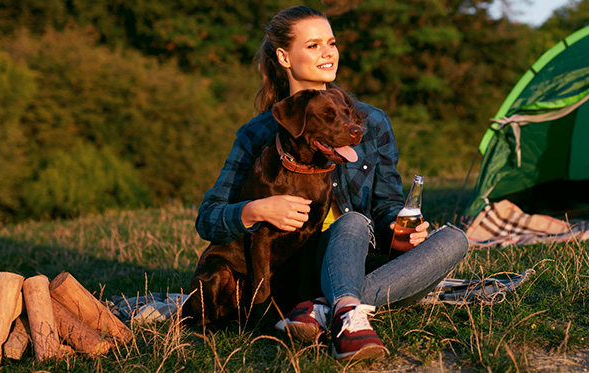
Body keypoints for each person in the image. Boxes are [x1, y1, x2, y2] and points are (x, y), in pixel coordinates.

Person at [194, 5, 469, 361]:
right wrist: (253, 209)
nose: (328, 52)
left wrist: (399, 228)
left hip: (359, 259)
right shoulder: (258, 134)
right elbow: (208, 218)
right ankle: (348, 309)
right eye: (313, 45)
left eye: (332, 42)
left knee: (453, 240)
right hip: (293, 274)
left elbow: (386, 203)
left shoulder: (369, 121)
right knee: (351, 221)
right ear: (284, 56)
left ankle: (325, 308)